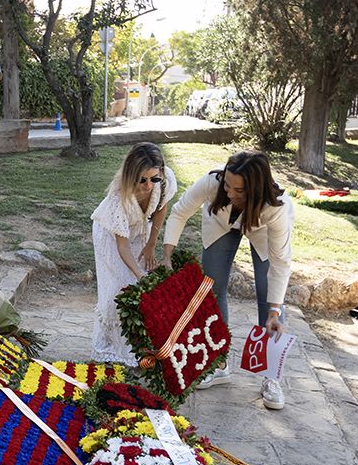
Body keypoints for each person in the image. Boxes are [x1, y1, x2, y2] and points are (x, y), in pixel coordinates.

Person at [162, 151, 294, 411]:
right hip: (221, 225)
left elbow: (280, 264)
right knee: (211, 287)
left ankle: (271, 376)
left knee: (268, 297)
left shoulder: (275, 208)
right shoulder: (213, 183)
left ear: (254, 190)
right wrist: (167, 253)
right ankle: (219, 363)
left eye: (239, 190)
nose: (230, 193)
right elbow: (179, 213)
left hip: (262, 230)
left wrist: (275, 311)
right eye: (227, 185)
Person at [91, 143, 178, 365]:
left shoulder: (164, 178)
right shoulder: (118, 198)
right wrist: (139, 273)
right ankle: (111, 349)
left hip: (140, 229)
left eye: (154, 179)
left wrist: (151, 244)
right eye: (143, 180)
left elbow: (161, 208)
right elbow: (122, 246)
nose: (149, 185)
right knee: (120, 287)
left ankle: (137, 346)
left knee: (139, 292)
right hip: (111, 235)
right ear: (132, 175)